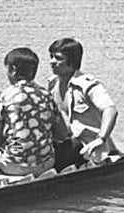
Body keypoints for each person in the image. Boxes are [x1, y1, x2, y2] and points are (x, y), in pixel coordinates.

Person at [0, 47, 70, 177]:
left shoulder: (5, 96)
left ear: (13, 70)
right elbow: (62, 133)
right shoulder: (46, 95)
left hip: (13, 167)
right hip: (46, 164)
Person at [47, 37, 119, 167]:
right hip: (65, 144)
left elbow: (110, 109)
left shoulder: (87, 85)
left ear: (72, 62)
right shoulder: (52, 85)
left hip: (88, 147)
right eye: (51, 57)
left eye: (58, 58)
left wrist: (101, 139)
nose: (52, 62)